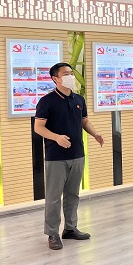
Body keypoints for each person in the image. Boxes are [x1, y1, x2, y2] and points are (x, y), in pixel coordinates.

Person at [34, 62, 104, 250]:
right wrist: (57, 138)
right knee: (54, 197)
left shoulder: (78, 99)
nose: (70, 77)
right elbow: (38, 127)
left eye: (71, 73)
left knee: (73, 194)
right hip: (56, 157)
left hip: (78, 154)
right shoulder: (47, 101)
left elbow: (84, 121)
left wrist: (95, 134)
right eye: (66, 74)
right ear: (55, 78)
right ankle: (52, 233)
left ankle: (70, 229)